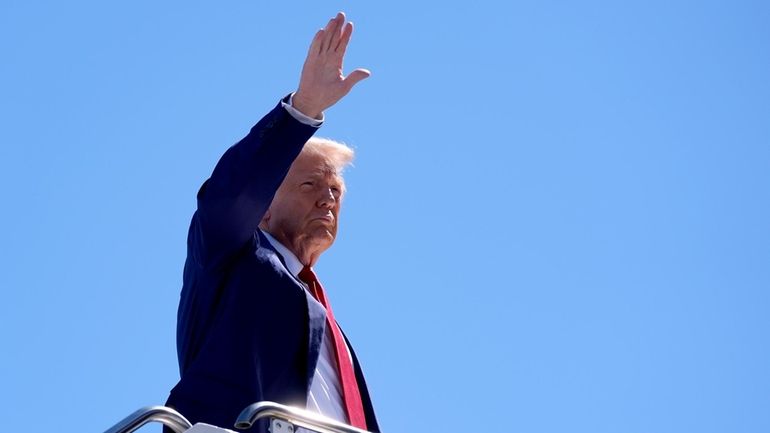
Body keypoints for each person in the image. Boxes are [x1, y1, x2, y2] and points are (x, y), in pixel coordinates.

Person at [165, 12, 379, 432]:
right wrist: (304, 110)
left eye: (337, 189)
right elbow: (229, 197)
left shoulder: (322, 312)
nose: (329, 196)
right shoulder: (233, 257)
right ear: (263, 205)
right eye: (310, 184)